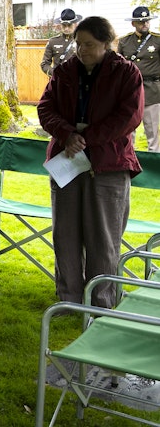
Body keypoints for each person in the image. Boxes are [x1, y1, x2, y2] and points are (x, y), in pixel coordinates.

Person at [38, 16, 143, 308]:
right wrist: (67, 134)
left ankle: (101, 302)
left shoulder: (126, 73)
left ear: (107, 44)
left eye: (90, 45)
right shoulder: (64, 71)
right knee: (66, 235)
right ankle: (69, 299)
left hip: (109, 165)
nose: (82, 50)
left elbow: (130, 116)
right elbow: (46, 108)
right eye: (79, 44)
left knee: (104, 238)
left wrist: (89, 137)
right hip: (67, 161)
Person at [117, 6, 159, 152]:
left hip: (152, 89)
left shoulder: (157, 40)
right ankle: (128, 158)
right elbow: (119, 67)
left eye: (147, 21)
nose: (145, 24)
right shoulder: (124, 42)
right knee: (129, 129)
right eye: (141, 22)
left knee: (152, 130)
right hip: (130, 90)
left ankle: (154, 163)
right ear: (133, 23)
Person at [40, 8, 81, 76]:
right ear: (60, 25)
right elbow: (45, 64)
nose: (66, 28)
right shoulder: (53, 42)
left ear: (75, 24)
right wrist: (55, 74)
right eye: (64, 25)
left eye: (69, 25)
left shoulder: (82, 41)